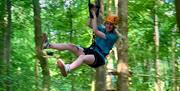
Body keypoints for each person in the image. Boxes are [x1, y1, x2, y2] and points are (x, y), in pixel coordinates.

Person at [42, 8, 119, 77]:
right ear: (105, 23)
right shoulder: (102, 28)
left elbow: (95, 31)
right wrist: (91, 13)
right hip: (90, 50)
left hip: (99, 57)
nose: (108, 26)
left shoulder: (113, 37)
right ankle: (47, 45)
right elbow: (89, 23)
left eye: (111, 25)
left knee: (82, 57)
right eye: (107, 23)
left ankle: (67, 69)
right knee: (70, 46)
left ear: (114, 26)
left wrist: (95, 15)